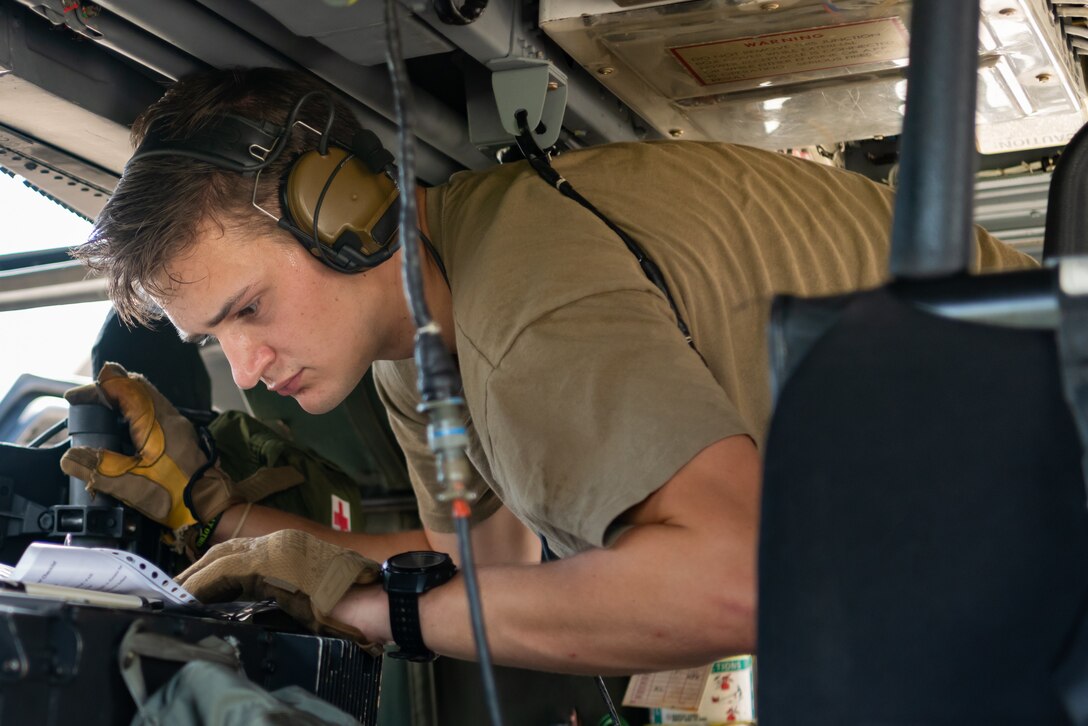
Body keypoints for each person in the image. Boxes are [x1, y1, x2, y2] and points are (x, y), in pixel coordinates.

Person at [67, 67, 1035, 675]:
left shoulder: (518, 303)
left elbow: (733, 583)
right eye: (212, 339)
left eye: (248, 309)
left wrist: (373, 612)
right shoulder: (420, 337)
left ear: (346, 213)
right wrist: (230, 523)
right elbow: (490, 577)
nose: (246, 363)